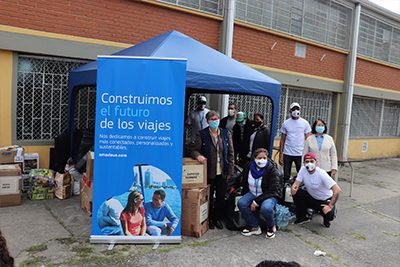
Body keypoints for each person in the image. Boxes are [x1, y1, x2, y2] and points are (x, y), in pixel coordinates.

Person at [191, 110, 235, 230]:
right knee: (208, 197)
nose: (214, 121)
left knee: (220, 197)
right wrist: (198, 156)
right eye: (211, 120)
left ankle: (217, 218)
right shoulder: (202, 134)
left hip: (223, 172)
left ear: (219, 120)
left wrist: (230, 171)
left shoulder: (226, 134)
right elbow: (194, 150)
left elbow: (231, 153)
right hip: (209, 172)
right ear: (207, 121)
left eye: (216, 119)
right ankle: (209, 219)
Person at [237, 148, 282, 239]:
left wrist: (256, 202)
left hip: (268, 194)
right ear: (254, 159)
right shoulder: (249, 167)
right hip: (252, 192)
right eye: (259, 157)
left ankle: (271, 226)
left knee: (266, 207)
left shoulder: (272, 169)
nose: (262, 160)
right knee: (241, 203)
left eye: (264, 158)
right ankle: (254, 226)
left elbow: (273, 189)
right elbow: (244, 181)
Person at [291, 152, 341, 228]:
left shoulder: (321, 173)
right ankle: (304, 215)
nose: (309, 163)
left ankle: (327, 218)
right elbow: (296, 184)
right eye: (307, 161)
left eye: (311, 161)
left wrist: (330, 206)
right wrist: (293, 188)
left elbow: (337, 190)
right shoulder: (303, 170)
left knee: (329, 215)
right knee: (297, 193)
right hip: (312, 197)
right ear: (304, 163)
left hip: (324, 200)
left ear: (316, 162)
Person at [279, 102, 311, 184]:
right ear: (290, 111)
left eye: (297, 109)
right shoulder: (286, 123)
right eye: (293, 109)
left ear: (300, 110)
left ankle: (300, 191)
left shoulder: (305, 123)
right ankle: (286, 191)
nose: (295, 110)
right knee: (286, 176)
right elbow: (282, 139)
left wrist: (308, 155)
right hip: (287, 153)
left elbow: (308, 139)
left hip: (300, 153)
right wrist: (280, 155)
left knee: (302, 174)